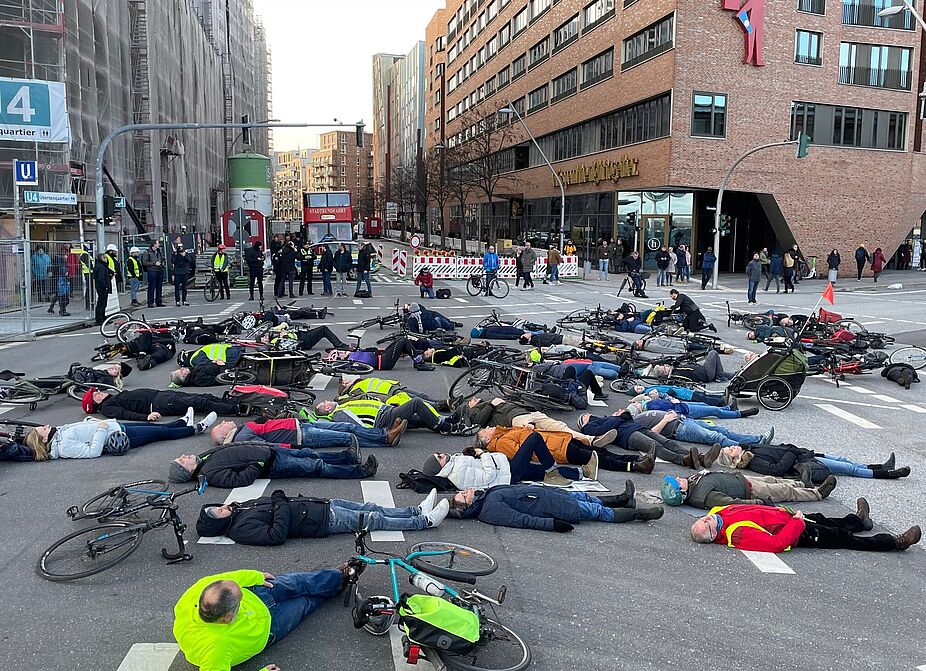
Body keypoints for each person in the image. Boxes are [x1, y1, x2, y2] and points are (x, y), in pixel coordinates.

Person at [173, 566, 352, 671]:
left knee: (300, 582)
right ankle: (336, 588)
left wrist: (255, 577)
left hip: (259, 594)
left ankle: (342, 576)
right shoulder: (215, 649)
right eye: (239, 600)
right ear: (227, 617)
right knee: (305, 604)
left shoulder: (202, 590)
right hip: (270, 627)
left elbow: (228, 579)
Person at [196, 489, 449, 545]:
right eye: (218, 511)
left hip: (318, 505)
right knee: (372, 519)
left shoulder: (238, 510)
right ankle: (424, 522)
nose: (223, 506)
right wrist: (279, 501)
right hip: (319, 521)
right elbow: (275, 535)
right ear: (219, 523)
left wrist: (280, 502)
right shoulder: (240, 530)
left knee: (371, 506)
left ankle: (416, 510)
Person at [690, 501, 921, 552]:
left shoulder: (716, 513)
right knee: (842, 537)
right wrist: (797, 523)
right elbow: (776, 544)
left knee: (823, 518)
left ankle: (860, 520)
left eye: (702, 520)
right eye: (707, 528)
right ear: (713, 537)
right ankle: (895, 542)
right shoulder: (736, 534)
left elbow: (750, 509)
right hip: (798, 531)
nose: (707, 521)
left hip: (787, 517)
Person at [448, 482, 663, 530]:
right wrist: (552, 524)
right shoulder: (489, 510)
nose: (467, 491)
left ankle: (622, 498)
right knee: (597, 512)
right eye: (464, 496)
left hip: (548, 495)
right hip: (549, 507)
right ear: (468, 506)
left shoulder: (486, 496)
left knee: (586, 498)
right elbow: (522, 521)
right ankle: (640, 514)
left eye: (463, 491)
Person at [16, 413, 215, 461]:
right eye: (40, 430)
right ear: (43, 440)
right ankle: (196, 428)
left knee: (155, 428)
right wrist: (101, 429)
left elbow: (82, 431)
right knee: (160, 434)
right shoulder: (63, 446)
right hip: (117, 435)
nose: (43, 426)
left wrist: (89, 421)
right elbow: (92, 452)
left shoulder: (59, 434)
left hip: (114, 427)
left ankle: (182, 422)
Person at [168, 441, 377, 487]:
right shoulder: (209, 474)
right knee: (316, 466)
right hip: (270, 463)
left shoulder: (204, 458)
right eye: (182, 460)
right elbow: (240, 480)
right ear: (186, 471)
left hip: (270, 451)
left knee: (308, 454)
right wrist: (257, 463)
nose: (184, 455)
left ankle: (346, 457)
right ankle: (360, 471)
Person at [477, 425, 650, 476]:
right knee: (596, 457)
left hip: (559, 441)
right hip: (556, 449)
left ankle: (636, 459)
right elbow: (522, 450)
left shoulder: (503, 432)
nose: (488, 427)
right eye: (485, 430)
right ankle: (635, 466)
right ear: (487, 439)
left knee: (600, 451)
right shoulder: (499, 442)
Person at [465, 396, 614, 446]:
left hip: (527, 412)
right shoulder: (475, 410)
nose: (474, 399)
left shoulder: (488, 402)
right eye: (471, 400)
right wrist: (491, 405)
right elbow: (478, 420)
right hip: (514, 418)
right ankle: (581, 444)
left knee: (559, 426)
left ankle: (590, 440)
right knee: (537, 431)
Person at [714, 444, 910, 481]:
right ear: (734, 459)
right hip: (803, 460)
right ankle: (888, 474)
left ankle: (881, 466)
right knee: (847, 468)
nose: (733, 447)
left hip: (803, 453)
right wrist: (790, 453)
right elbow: (778, 469)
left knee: (843, 460)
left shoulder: (750, 449)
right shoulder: (753, 462)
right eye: (730, 450)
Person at [660, 471, 836, 509]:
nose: (678, 479)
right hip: (750, 491)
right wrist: (758, 503)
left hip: (742, 480)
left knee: (773, 479)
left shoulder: (692, 484)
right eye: (677, 484)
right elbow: (732, 503)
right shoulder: (703, 497)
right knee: (784, 491)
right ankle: (818, 493)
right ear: (682, 494)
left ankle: (801, 483)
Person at [210, 416, 407, 449]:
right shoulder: (242, 437)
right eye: (221, 425)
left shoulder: (242, 431)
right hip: (302, 436)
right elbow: (266, 446)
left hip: (301, 427)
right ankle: (384, 438)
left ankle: (384, 433)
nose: (225, 422)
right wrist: (292, 447)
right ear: (223, 434)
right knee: (346, 438)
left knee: (346, 427)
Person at [630, 409, 772, 448]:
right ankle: (750, 447)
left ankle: (756, 439)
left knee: (721, 430)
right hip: (679, 429)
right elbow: (651, 434)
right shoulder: (635, 425)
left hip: (683, 421)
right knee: (716, 438)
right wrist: (665, 419)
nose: (618, 410)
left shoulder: (637, 417)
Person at [83, 386, 243, 420]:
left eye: (96, 391)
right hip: (159, 403)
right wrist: (146, 416)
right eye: (95, 394)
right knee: (199, 402)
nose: (99, 392)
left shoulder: (110, 398)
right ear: (94, 403)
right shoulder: (107, 407)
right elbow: (124, 414)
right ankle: (235, 408)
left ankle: (227, 401)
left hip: (161, 395)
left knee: (203, 396)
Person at [624, 395, 757, 420]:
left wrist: (672, 400)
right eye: (635, 404)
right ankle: (738, 413)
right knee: (714, 411)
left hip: (683, 405)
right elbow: (669, 413)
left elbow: (665, 400)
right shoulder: (651, 411)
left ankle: (729, 409)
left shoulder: (649, 404)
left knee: (706, 405)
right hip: (685, 410)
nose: (637, 403)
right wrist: (675, 404)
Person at [47, 246, 72, 316]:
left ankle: (52, 308)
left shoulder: (58, 260)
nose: (67, 256)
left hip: (59, 279)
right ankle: (62, 310)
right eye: (66, 254)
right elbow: (61, 270)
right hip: (60, 280)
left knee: (59, 295)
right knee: (63, 296)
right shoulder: (60, 261)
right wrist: (66, 272)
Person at [142, 239, 165, 307]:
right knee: (151, 287)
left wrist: (162, 263)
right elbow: (145, 262)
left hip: (159, 270)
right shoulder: (147, 252)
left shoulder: (159, 252)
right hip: (152, 271)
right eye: (157, 243)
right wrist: (154, 263)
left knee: (159, 287)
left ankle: (159, 301)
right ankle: (150, 302)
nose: (159, 245)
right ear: (154, 244)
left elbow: (162, 258)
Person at [92, 251, 113, 325]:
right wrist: (105, 286)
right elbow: (101, 278)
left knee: (103, 303)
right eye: (106, 258)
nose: (107, 259)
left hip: (102, 287)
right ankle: (100, 320)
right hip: (102, 288)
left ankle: (103, 319)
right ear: (102, 258)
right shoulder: (100, 267)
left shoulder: (101, 266)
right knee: (101, 303)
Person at [172, 240, 194, 306]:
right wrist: (175, 254)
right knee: (177, 288)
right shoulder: (175, 254)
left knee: (184, 287)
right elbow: (173, 261)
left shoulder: (185, 253)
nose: (180, 249)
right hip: (177, 272)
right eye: (179, 247)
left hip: (184, 272)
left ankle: (184, 300)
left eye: (181, 247)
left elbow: (190, 261)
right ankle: (177, 301)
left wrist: (184, 256)